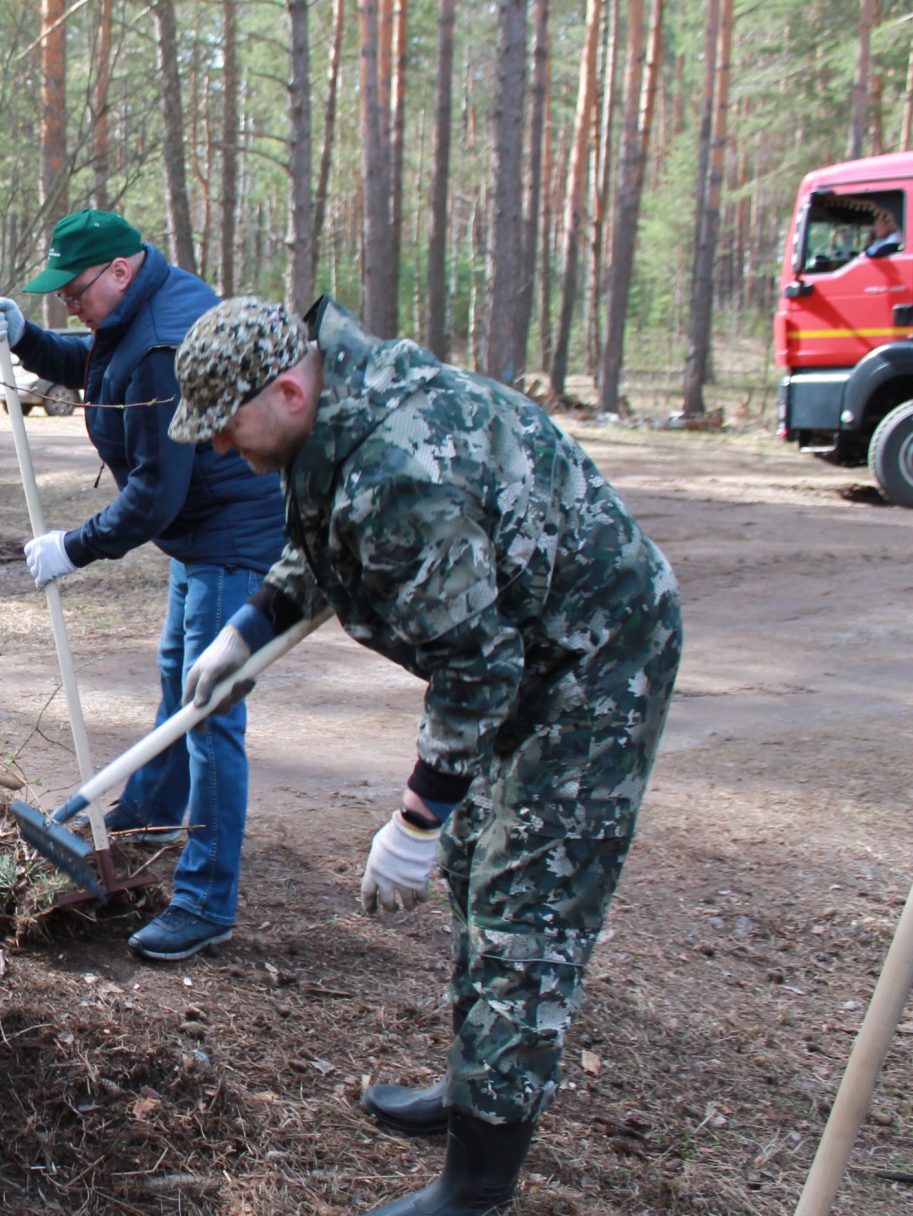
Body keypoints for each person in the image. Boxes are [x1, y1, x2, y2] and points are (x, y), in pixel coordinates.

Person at [168, 295, 683, 1216]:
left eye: (223, 427)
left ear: (287, 389)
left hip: (594, 660)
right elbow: (325, 540)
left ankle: (478, 1185)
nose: (214, 450)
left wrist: (412, 821)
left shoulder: (399, 467)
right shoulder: (333, 411)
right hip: (523, 644)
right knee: (481, 868)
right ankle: (472, 1085)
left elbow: (476, 669)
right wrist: (246, 631)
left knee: (527, 902)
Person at [0, 210, 287, 961]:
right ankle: (147, 817)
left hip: (229, 537)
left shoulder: (159, 343)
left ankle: (206, 902)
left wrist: (72, 549)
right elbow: (94, 363)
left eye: (73, 294)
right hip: (204, 533)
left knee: (209, 715)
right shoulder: (142, 304)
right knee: (180, 681)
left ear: (120, 268)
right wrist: (25, 337)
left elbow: (155, 496)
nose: (68, 308)